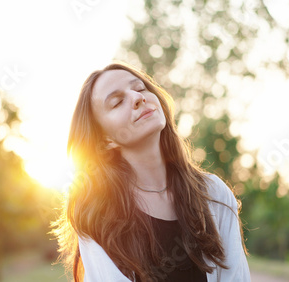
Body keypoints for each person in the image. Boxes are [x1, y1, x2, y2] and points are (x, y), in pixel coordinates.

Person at [51, 62, 250, 282]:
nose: (138, 98)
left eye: (140, 88)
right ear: (105, 140)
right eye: (117, 102)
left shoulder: (214, 194)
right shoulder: (95, 211)